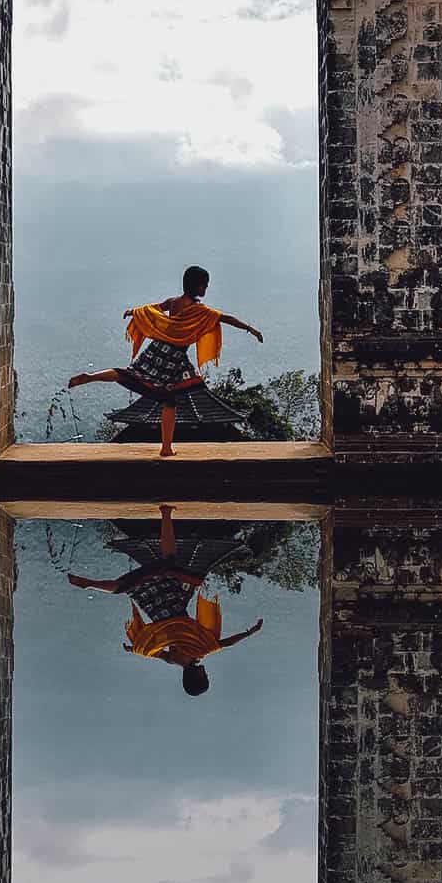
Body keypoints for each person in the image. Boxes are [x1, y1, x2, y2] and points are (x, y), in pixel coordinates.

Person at [67, 265, 264, 458]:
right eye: (204, 285)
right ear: (196, 285)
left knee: (129, 374)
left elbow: (151, 310)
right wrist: (250, 329)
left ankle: (91, 377)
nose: (205, 289)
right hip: (174, 357)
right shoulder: (199, 310)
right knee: (172, 399)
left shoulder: (173, 302)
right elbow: (225, 318)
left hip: (156, 349)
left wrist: (133, 312)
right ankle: (166, 448)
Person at [69, 504, 263, 694]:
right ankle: (91, 584)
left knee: (169, 560)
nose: (207, 674)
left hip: (174, 604)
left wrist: (249, 632)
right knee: (128, 587)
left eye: (206, 677)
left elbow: (226, 643)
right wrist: (134, 648)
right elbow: (153, 654)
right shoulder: (173, 659)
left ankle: (166, 512)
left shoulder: (200, 650)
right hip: (155, 611)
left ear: (199, 677)